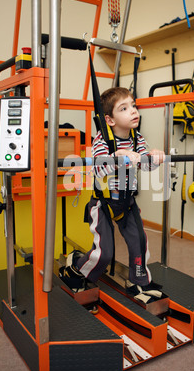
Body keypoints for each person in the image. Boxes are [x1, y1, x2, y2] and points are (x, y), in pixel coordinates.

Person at [62, 87, 165, 303]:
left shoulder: (138, 139)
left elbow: (144, 166)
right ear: (109, 119)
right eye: (124, 108)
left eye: (133, 106)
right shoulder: (102, 142)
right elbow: (97, 170)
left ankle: (140, 280)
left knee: (140, 242)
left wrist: (153, 157)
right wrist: (118, 156)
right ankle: (79, 270)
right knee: (104, 253)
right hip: (103, 204)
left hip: (127, 203)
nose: (133, 111)